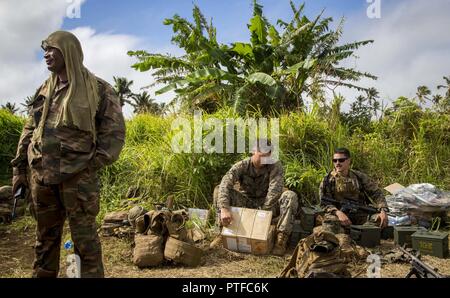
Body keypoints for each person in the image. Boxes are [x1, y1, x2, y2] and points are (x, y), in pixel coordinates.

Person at [10, 31, 125, 278]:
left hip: (79, 180)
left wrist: (90, 165)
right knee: (45, 242)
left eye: (52, 49)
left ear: (68, 51)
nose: (46, 55)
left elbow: (114, 134)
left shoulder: (99, 89)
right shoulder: (44, 88)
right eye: (45, 49)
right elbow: (30, 128)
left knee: (85, 243)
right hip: (42, 177)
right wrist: (19, 168)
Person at [213, 139, 298, 255]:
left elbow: (275, 191)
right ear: (253, 151)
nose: (264, 161)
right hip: (246, 203)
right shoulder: (242, 165)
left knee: (290, 195)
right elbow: (225, 183)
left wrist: (263, 215)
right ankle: (222, 232)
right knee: (219, 190)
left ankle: (280, 240)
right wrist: (224, 209)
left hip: (267, 206)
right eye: (261, 156)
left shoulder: (275, 165)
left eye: (267, 157)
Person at [319, 148, 388, 231]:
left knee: (380, 219)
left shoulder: (359, 177)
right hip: (336, 214)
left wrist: (383, 210)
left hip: (358, 212)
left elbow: (376, 193)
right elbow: (324, 202)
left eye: (341, 160)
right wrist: (338, 213)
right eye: (335, 160)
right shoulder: (328, 180)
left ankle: (360, 233)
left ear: (348, 161)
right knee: (330, 223)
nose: (337, 163)